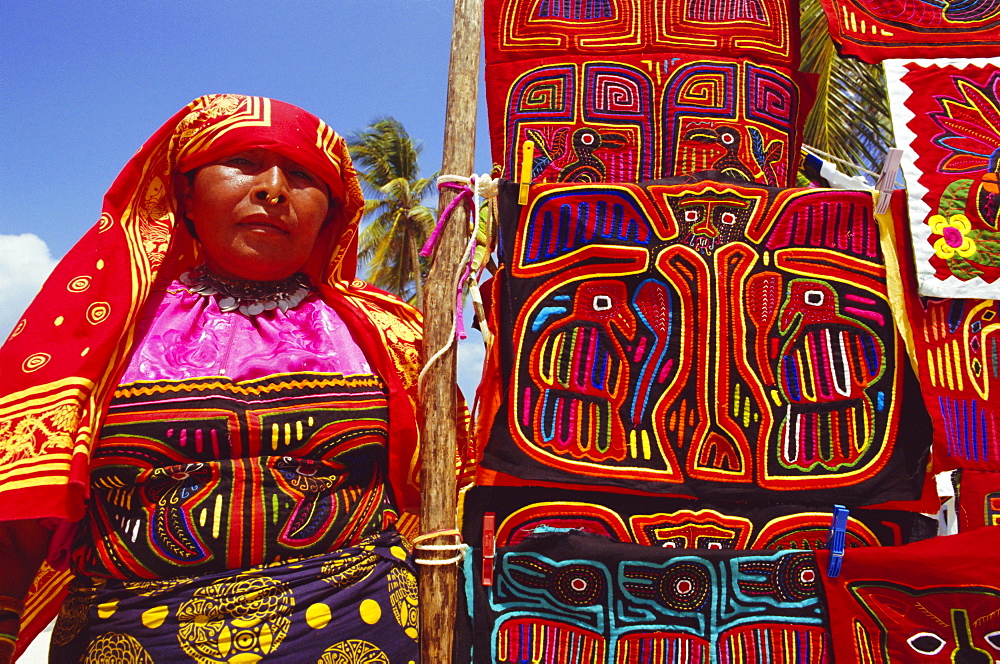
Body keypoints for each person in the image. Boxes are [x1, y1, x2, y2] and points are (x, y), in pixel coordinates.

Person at [0, 94, 431, 662]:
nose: (273, 187)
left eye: (302, 174)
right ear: (186, 193)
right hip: (129, 638)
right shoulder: (96, 329)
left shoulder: (393, 334)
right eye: (244, 163)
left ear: (331, 209)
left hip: (360, 630)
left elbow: (446, 494)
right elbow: (19, 515)